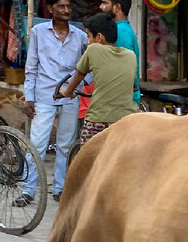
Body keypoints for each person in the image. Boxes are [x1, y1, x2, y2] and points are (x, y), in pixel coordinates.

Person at [22, 0, 87, 204]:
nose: (66, 10)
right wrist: (28, 97)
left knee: (66, 145)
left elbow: (89, 67)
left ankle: (60, 188)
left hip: (70, 96)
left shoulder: (80, 36)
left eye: (68, 6)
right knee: (37, 144)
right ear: (50, 9)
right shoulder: (39, 32)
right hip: (43, 95)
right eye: (61, 6)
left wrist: (80, 85)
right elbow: (31, 67)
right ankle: (29, 190)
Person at [57, 12, 137, 153]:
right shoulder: (130, 56)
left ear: (99, 37)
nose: (87, 41)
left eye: (88, 36)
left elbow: (78, 77)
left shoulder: (94, 49)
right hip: (126, 120)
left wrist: (67, 92)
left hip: (99, 120)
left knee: (87, 162)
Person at [98, 0, 141, 104]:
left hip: (122, 101)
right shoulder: (121, 29)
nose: (101, 7)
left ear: (117, 7)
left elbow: (125, 68)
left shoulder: (120, 31)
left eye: (104, 3)